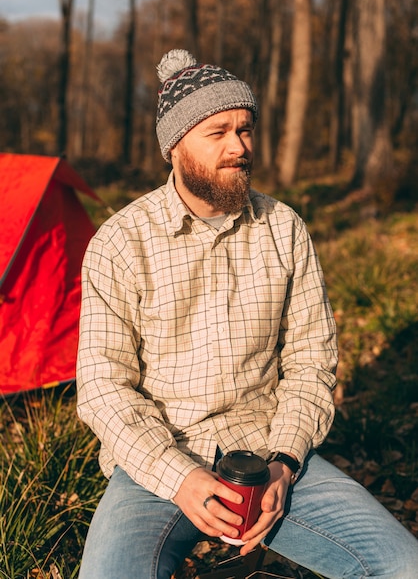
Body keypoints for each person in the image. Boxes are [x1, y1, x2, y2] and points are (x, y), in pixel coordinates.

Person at [76, 49, 418, 579]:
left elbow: (311, 364)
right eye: (218, 132)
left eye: (245, 129)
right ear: (174, 146)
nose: (239, 146)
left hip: (269, 454)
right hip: (157, 462)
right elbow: (103, 387)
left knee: (403, 564)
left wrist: (285, 463)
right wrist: (179, 477)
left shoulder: (284, 229)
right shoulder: (120, 243)